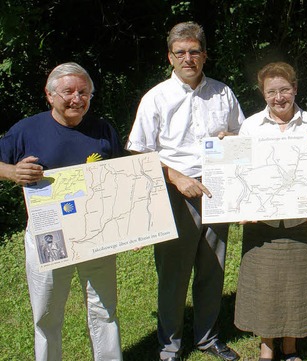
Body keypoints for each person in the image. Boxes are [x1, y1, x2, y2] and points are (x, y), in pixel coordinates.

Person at [126, 22, 244, 361]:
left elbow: (241, 135)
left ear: (204, 55)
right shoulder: (156, 98)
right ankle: (170, 346)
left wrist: (231, 141)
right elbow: (139, 153)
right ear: (170, 57)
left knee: (212, 269)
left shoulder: (222, 93)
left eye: (194, 52)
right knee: (174, 276)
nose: (188, 58)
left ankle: (207, 338)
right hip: (173, 193)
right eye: (181, 53)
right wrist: (175, 177)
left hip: (216, 192)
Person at [0, 62, 123, 360]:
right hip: (50, 234)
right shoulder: (27, 129)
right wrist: (12, 172)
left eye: (84, 92)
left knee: (104, 309)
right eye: (68, 91)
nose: (77, 99)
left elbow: (121, 176)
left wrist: (130, 228)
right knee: (47, 313)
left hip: (98, 231)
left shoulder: (103, 129)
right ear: (50, 95)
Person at [233, 62, 307, 361]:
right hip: (261, 220)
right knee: (264, 283)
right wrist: (242, 205)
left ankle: (290, 346)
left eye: (284, 90)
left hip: (304, 219)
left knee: (297, 284)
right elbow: (238, 171)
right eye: (271, 91)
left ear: (295, 89)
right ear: (263, 93)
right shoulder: (251, 125)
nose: (279, 97)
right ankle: (267, 345)